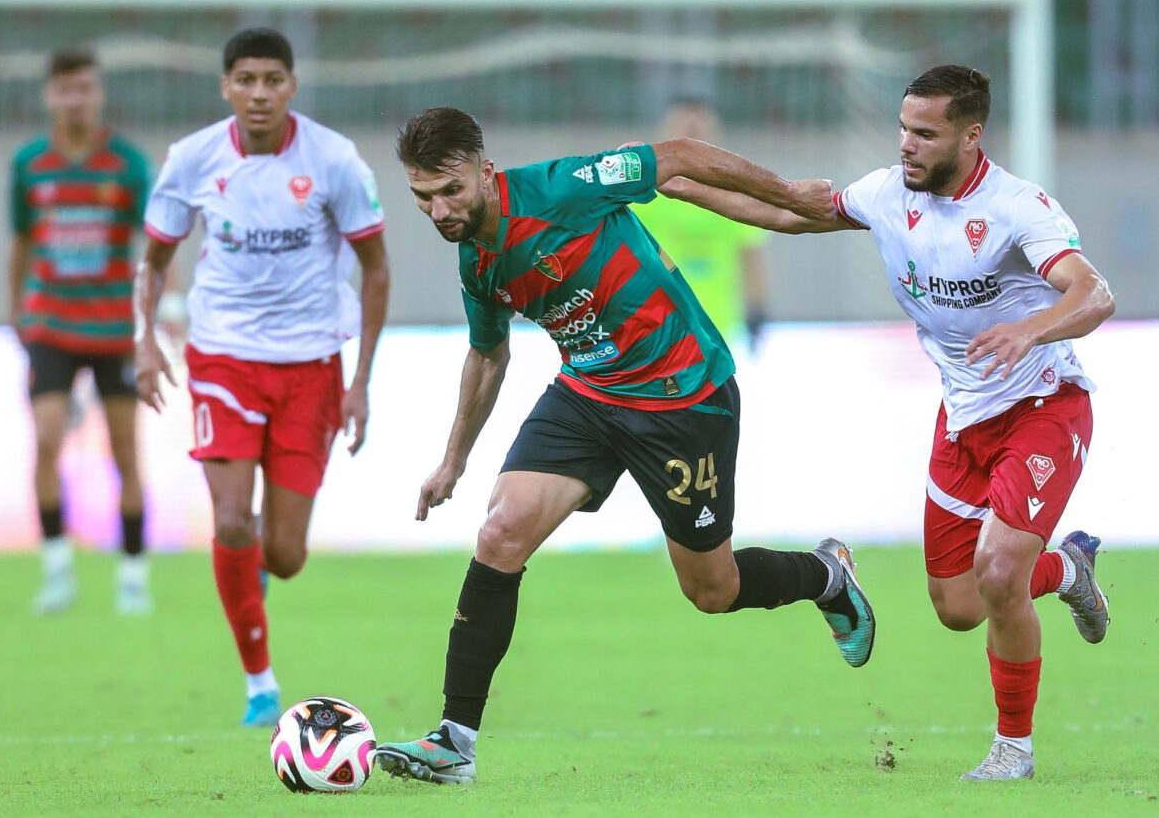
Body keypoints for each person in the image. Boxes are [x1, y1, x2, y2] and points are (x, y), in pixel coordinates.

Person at [372, 106, 875, 785]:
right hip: (588, 393)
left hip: (683, 394)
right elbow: (488, 355)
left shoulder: (561, 188)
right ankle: (454, 740)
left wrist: (787, 193)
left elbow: (680, 157)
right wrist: (454, 458)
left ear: (484, 172)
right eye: (423, 197)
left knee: (712, 589)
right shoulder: (477, 265)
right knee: (500, 532)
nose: (438, 209)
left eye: (450, 189)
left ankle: (826, 575)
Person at [660, 65, 1114, 781]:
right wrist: (687, 187)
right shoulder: (885, 193)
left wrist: (1032, 329)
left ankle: (1014, 750)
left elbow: (1094, 294)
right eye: (903, 128)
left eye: (925, 133)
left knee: (998, 573)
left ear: (971, 135)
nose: (907, 144)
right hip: (964, 416)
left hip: (1043, 406)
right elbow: (791, 210)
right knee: (959, 604)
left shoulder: (1018, 208)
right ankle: (1068, 570)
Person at [133, 28, 391, 727]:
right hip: (223, 359)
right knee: (227, 517)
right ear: (226, 87)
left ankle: (256, 578)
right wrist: (147, 342)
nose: (258, 93)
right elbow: (154, 260)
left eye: (272, 79)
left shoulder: (334, 159)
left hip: (312, 366)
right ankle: (259, 684)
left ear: (292, 87)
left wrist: (361, 379)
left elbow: (375, 269)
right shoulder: (192, 159)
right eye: (245, 79)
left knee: (285, 551)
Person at [8, 47, 153, 615]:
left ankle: (134, 577)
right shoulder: (29, 164)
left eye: (85, 89)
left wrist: (161, 314)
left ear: (98, 94)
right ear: (51, 95)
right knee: (45, 439)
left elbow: (156, 241)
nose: (75, 99)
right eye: (65, 89)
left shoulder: (127, 164)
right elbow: (21, 241)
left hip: (114, 325)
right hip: (50, 322)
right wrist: (16, 308)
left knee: (125, 451)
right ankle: (57, 571)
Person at [633, 97, 772, 347]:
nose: (692, 135)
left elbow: (750, 252)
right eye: (684, 129)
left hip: (715, 324)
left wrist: (757, 308)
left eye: (699, 129)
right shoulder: (643, 191)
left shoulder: (735, 190)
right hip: (656, 323)